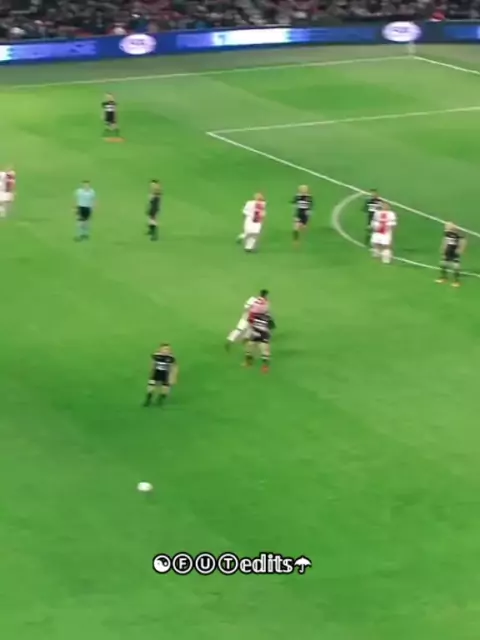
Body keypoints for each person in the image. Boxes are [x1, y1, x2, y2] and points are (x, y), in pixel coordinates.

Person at [436, 222, 466, 287]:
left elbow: (463, 242)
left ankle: (456, 281)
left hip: (455, 252)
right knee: (443, 264)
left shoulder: (459, 234)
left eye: (447, 226)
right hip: (447, 251)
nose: (446, 228)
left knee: (456, 267)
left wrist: (460, 250)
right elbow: (445, 241)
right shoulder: (447, 233)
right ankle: (443, 278)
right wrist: (443, 248)